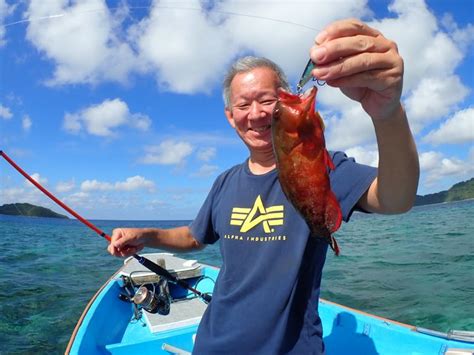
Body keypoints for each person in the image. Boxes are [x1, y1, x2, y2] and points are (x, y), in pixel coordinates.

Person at [108, 18, 419, 354]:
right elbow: (195, 236)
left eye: (267, 101)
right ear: (230, 116)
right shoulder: (225, 181)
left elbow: (395, 198)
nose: (255, 114)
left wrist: (387, 114)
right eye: (243, 104)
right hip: (214, 343)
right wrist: (146, 235)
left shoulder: (325, 165)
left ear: (283, 100)